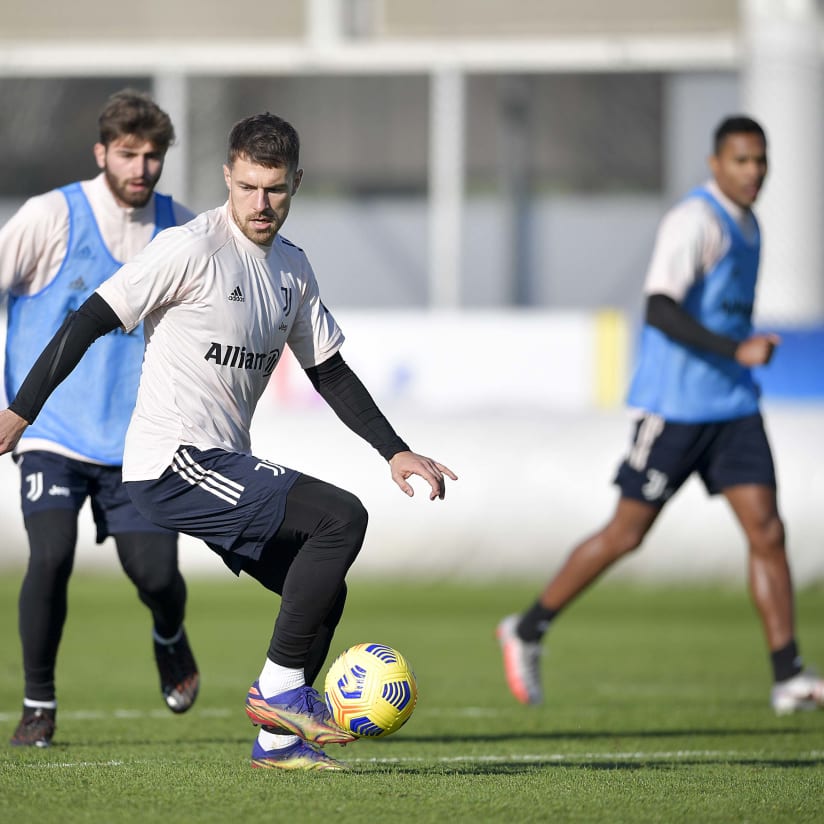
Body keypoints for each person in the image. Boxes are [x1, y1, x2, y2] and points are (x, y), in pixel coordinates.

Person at [0, 111, 457, 771]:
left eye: (274, 189)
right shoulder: (189, 247)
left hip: (221, 462)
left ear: (295, 182)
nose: (260, 203)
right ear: (228, 177)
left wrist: (395, 450)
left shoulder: (293, 271)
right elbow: (88, 318)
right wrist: (20, 411)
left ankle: (276, 743)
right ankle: (278, 695)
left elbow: (328, 371)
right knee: (341, 519)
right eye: (248, 187)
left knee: (324, 588)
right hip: (171, 464)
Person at [497, 115, 824, 716]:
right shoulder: (694, 221)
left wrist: (738, 360)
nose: (753, 172)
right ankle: (529, 627)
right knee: (627, 533)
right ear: (715, 164)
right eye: (741, 160)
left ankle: (787, 675)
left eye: (761, 161)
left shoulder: (751, 225)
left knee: (767, 531)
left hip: (733, 406)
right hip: (676, 408)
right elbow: (659, 308)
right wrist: (737, 349)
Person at [1, 89, 200, 749]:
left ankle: (169, 636)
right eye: (128, 154)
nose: (142, 168)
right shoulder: (50, 217)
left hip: (141, 443)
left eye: (153, 155)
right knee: (50, 555)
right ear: (101, 153)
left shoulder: (184, 232)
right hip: (50, 429)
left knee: (157, 577)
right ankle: (38, 707)